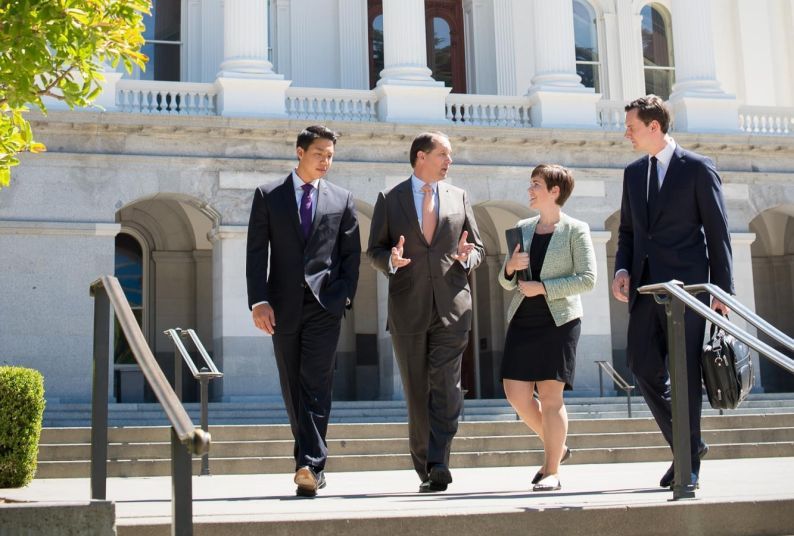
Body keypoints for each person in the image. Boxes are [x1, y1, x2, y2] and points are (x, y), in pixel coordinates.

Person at [612, 95, 734, 489]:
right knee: (642, 366)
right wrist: (623, 268)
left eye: (631, 126)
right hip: (646, 290)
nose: (626, 133)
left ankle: (687, 463)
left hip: (690, 293)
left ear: (654, 127)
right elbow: (628, 231)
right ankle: (690, 444)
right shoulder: (633, 174)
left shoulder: (698, 169)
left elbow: (718, 232)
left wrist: (722, 291)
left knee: (683, 376)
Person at [246, 125, 361, 497]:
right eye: (319, 154)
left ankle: (310, 464)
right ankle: (308, 464)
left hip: (325, 306)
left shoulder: (342, 199)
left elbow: (349, 256)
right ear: (299, 152)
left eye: (330, 155)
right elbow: (255, 253)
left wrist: (343, 296)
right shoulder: (269, 196)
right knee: (292, 385)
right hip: (281, 307)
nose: (325, 161)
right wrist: (258, 300)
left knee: (316, 384)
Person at [367, 131, 484, 493]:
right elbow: (374, 250)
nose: (450, 161)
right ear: (421, 156)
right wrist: (391, 260)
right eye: (443, 155)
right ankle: (425, 464)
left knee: (447, 386)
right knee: (417, 391)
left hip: (453, 306)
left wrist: (470, 257)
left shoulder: (459, 197)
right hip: (408, 309)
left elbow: (476, 245)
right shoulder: (390, 199)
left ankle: (439, 461)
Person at [498, 164, 596, 492]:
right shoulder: (522, 227)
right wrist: (510, 268)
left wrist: (544, 287)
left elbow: (587, 278)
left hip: (560, 321)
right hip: (523, 318)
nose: (530, 189)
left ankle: (551, 468)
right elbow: (506, 279)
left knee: (551, 397)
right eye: (531, 184)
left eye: (536, 184)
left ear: (554, 191)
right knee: (516, 393)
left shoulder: (576, 230)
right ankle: (559, 447)